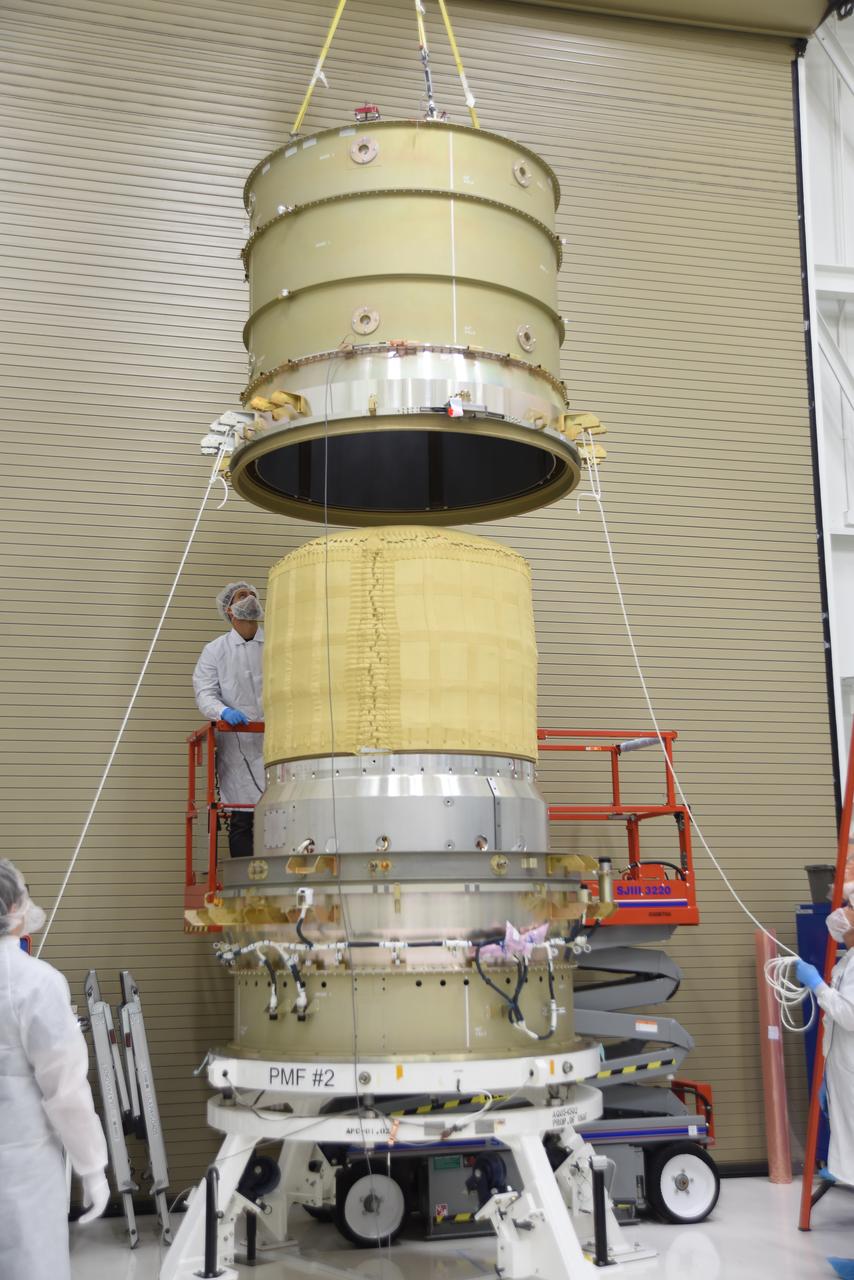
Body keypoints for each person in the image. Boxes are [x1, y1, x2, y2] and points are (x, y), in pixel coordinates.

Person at [0, 859, 109, 1280]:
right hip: (22, 1170)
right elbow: (65, 1089)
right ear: (12, 909)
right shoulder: (36, 983)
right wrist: (92, 1166)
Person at [796, 907, 854, 1280]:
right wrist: (825, 1079)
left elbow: (848, 1014)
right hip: (844, 1076)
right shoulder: (849, 960)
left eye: (849, 908)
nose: (841, 914)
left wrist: (816, 985)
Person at [193, 581, 265, 857]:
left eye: (253, 594)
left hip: (275, 744)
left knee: (278, 818)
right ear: (229, 609)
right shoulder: (215, 651)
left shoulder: (275, 644)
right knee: (242, 819)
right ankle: (247, 885)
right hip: (237, 746)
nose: (250, 598)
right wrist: (223, 712)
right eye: (242, 595)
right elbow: (205, 692)